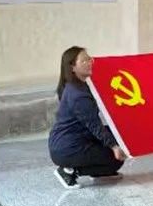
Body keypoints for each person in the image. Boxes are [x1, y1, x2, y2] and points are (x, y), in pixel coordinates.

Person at [48, 46, 126, 189]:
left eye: (89, 59)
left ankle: (99, 171)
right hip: (67, 147)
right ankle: (70, 171)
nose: (90, 62)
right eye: (84, 60)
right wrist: (114, 146)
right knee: (116, 158)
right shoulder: (78, 95)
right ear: (72, 67)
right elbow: (94, 125)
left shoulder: (76, 86)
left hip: (73, 139)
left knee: (118, 137)